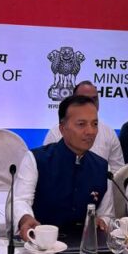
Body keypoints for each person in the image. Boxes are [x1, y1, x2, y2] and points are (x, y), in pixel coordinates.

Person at [15, 94, 114, 240]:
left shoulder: (103, 167)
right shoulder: (36, 159)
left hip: (84, 248)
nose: (91, 131)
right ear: (62, 128)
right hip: (40, 244)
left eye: (94, 124)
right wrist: (25, 218)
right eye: (81, 124)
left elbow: (107, 214)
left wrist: (103, 221)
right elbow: (20, 200)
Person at [43, 80, 123, 172]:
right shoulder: (56, 132)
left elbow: (118, 172)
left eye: (94, 99)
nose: (90, 103)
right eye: (84, 99)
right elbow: (48, 165)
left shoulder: (109, 133)